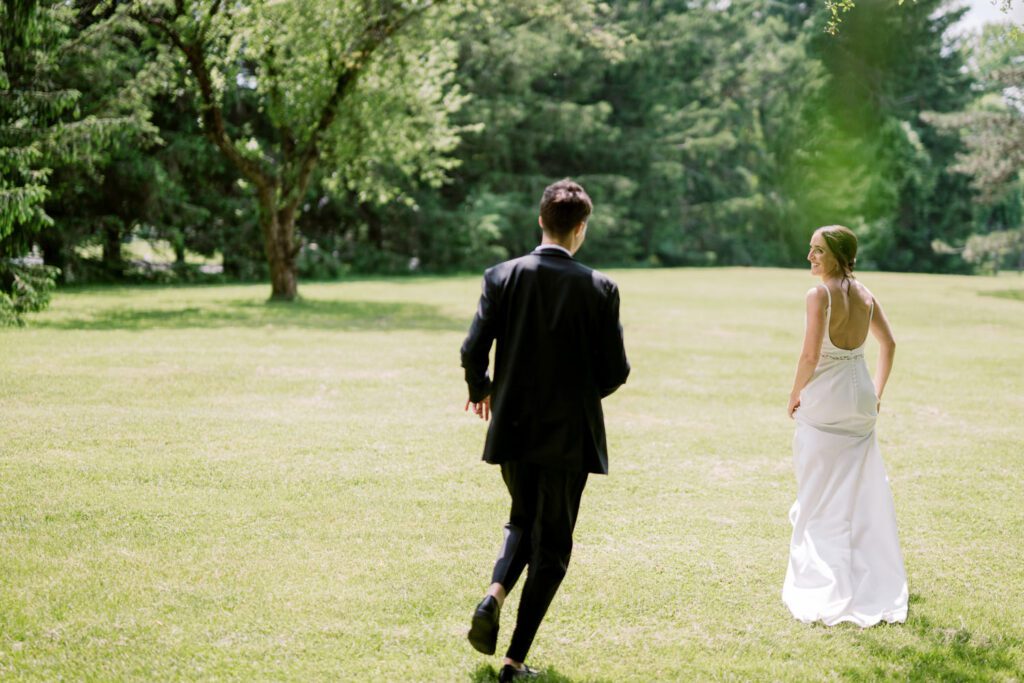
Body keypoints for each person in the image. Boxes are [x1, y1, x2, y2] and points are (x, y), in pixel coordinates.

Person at [460, 179, 630, 681]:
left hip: (511, 425)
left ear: (541, 221)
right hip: (568, 435)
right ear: (580, 229)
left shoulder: (501, 275)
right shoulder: (600, 287)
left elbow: (473, 350)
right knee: (552, 546)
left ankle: (494, 593)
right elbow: (616, 370)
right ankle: (512, 663)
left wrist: (483, 389)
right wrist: (577, 400)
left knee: (521, 517)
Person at [783, 224, 908, 627]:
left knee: (817, 486)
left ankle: (828, 569)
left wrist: (794, 394)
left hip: (827, 397)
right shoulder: (867, 295)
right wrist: (876, 393)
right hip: (859, 398)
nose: (810, 257)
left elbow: (808, 355)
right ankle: (862, 560)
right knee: (856, 485)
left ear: (837, 255)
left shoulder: (819, 295)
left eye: (818, 250)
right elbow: (888, 345)